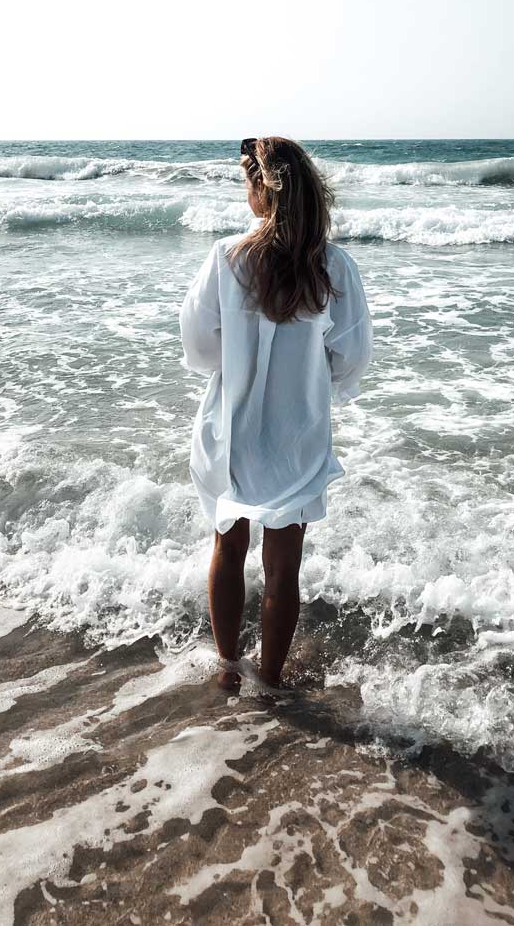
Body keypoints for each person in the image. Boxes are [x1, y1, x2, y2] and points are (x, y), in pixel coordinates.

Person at [179, 136, 373, 690]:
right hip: (299, 427)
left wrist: (239, 362)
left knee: (228, 543)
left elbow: (198, 346)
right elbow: (352, 356)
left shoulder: (227, 258)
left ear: (262, 189)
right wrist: (312, 378)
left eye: (247, 183)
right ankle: (270, 679)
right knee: (283, 563)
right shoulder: (334, 266)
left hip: (232, 422)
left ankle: (227, 670)